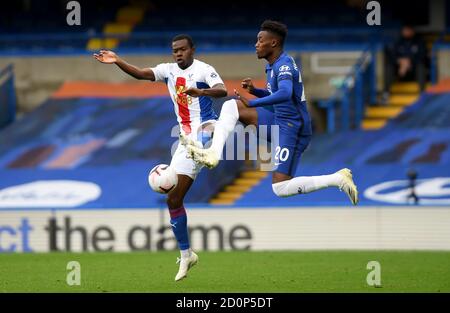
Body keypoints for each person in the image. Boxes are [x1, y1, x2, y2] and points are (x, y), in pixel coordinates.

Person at [93, 34, 228, 281]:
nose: (178, 54)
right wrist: (117, 61)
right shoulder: (168, 71)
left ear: (192, 50)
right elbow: (141, 74)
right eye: (175, 50)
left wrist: (201, 91)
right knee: (173, 200)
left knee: (206, 134)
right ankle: (187, 255)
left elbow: (223, 90)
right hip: (185, 140)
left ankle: (209, 151)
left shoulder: (204, 69)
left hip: (206, 126)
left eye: (183, 49)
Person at [182, 20, 358, 205]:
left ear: (273, 43)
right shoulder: (272, 65)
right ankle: (213, 153)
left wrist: (254, 102)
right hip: (278, 120)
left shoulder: (284, 65)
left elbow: (285, 93)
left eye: (260, 40)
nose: (256, 44)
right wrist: (255, 91)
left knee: (280, 188)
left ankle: (337, 179)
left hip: (293, 129)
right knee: (231, 106)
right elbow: (279, 94)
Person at [383, 24, 427, 102]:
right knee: (389, 67)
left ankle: (422, 94)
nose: (406, 32)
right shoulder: (398, 42)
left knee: (421, 66)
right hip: (400, 72)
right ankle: (386, 94)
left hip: (413, 71)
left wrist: (408, 62)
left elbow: (422, 55)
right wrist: (400, 61)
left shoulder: (419, 42)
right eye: (405, 30)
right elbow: (392, 56)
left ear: (412, 31)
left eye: (409, 30)